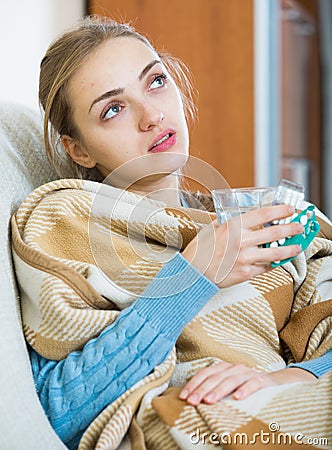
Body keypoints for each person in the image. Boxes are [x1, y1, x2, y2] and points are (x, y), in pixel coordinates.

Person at [14, 16, 331, 450]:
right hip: (190, 421)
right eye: (113, 109)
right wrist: (190, 277)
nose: (152, 115)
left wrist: (289, 377)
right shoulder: (66, 221)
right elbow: (58, 410)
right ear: (79, 149)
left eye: (156, 81)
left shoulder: (257, 223)